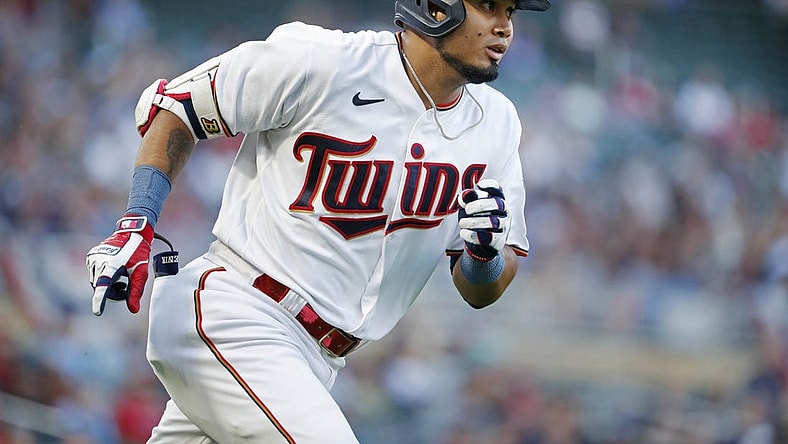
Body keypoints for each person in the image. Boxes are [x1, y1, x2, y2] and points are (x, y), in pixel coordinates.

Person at [85, 0, 550, 442]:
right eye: (488, 5)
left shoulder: (497, 125)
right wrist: (137, 221)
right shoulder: (322, 61)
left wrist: (483, 254)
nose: (505, 26)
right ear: (434, 5)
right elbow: (178, 108)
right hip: (236, 313)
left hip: (316, 360)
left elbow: (481, 290)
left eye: (508, 12)